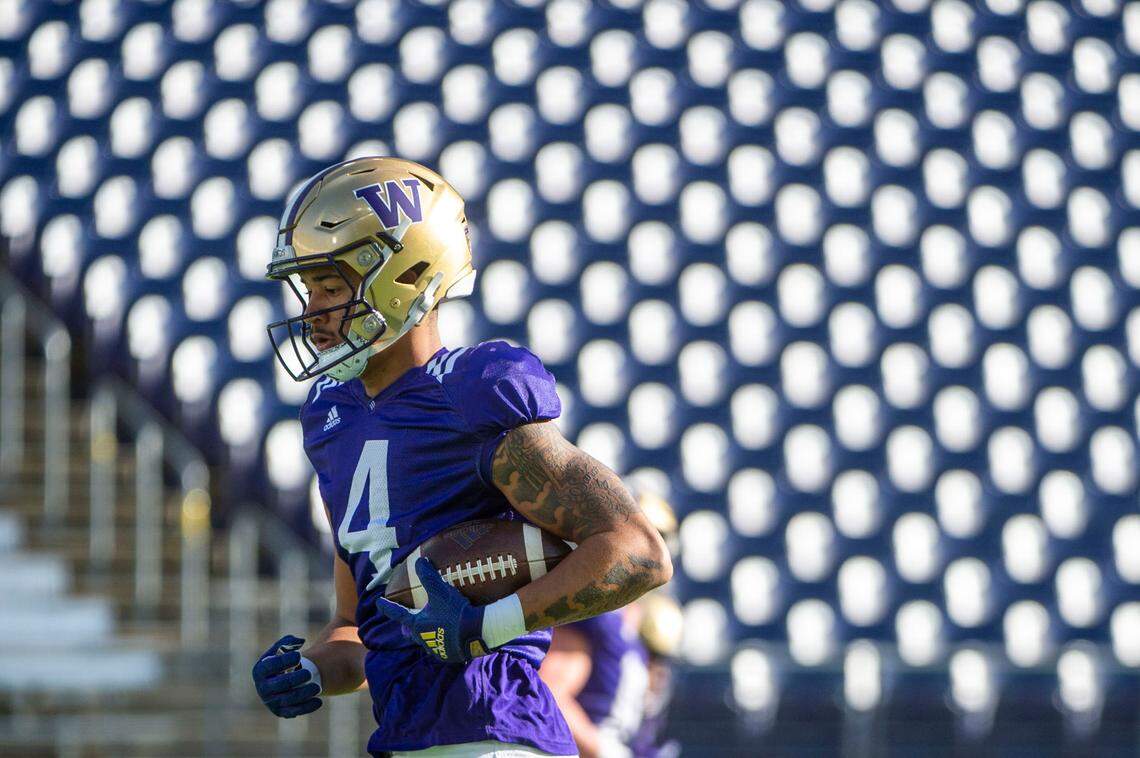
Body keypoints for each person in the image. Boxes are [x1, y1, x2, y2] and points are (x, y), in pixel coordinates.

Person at [249, 157, 673, 758]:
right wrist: (314, 670)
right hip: (405, 736)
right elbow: (362, 623)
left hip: (495, 732)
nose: (313, 311)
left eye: (333, 287)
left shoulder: (473, 392)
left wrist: (486, 627)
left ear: (404, 275)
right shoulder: (329, 418)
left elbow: (637, 552)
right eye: (308, 288)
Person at [539, 493, 683, 758]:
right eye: (639, 536)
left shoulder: (636, 622)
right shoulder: (594, 612)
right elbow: (550, 692)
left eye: (656, 538)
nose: (647, 549)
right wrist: (602, 749)